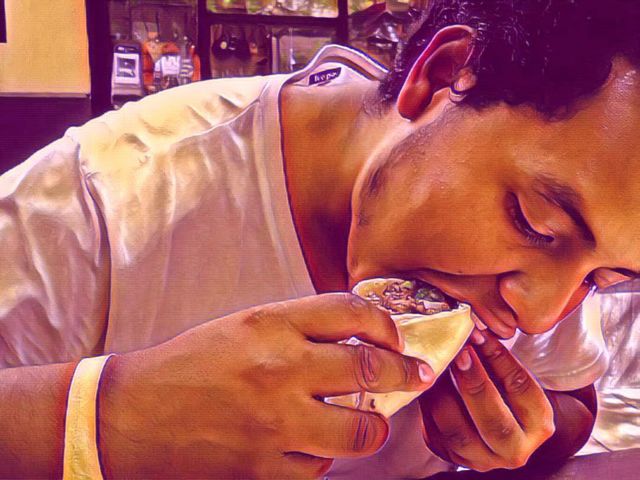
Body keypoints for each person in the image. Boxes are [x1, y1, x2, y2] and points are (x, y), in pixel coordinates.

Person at [1, 0, 639, 478]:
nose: (540, 313)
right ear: (443, 76)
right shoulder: (101, 196)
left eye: (603, 279)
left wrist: (514, 436)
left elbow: (571, 399)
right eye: (533, 223)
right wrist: (107, 417)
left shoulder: (563, 259)